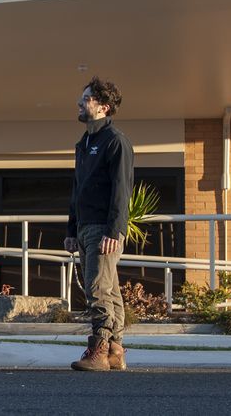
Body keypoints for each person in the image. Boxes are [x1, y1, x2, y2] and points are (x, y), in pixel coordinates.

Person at [64, 77, 133, 372]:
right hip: (84, 226)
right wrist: (71, 230)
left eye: (87, 98)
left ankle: (99, 349)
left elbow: (122, 189)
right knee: (109, 290)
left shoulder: (115, 142)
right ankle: (116, 351)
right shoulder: (84, 144)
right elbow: (77, 190)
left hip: (103, 228)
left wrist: (114, 230)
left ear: (104, 107)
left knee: (97, 289)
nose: (81, 103)